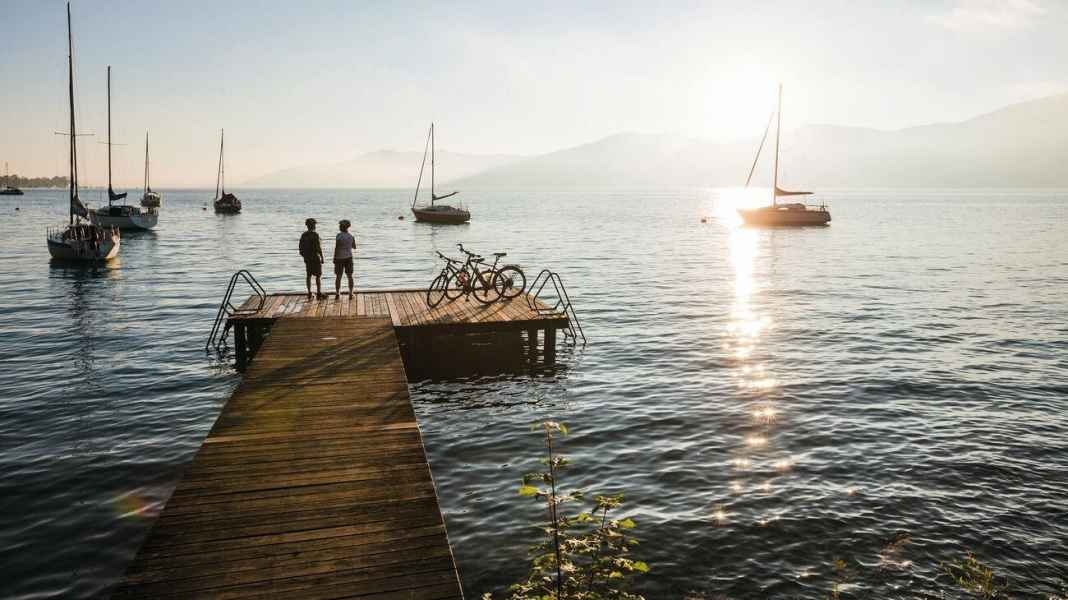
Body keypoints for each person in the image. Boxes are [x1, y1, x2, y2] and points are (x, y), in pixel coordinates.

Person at [298, 218, 324, 299]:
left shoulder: (303, 235)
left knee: (308, 275)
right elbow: (318, 247)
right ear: (313, 225)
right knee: (318, 276)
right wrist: (322, 257)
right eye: (315, 224)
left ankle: (309, 292)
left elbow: (300, 248)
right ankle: (319, 293)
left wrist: (305, 256)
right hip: (315, 257)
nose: (315, 226)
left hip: (307, 258)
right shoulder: (315, 235)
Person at [333, 219, 356, 298]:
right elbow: (354, 247)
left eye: (340, 225)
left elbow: (336, 247)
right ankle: (351, 292)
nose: (339, 227)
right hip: (349, 257)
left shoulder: (338, 236)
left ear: (342, 227)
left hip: (339, 258)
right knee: (350, 276)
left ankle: (337, 293)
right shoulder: (351, 236)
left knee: (338, 276)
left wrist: (334, 257)